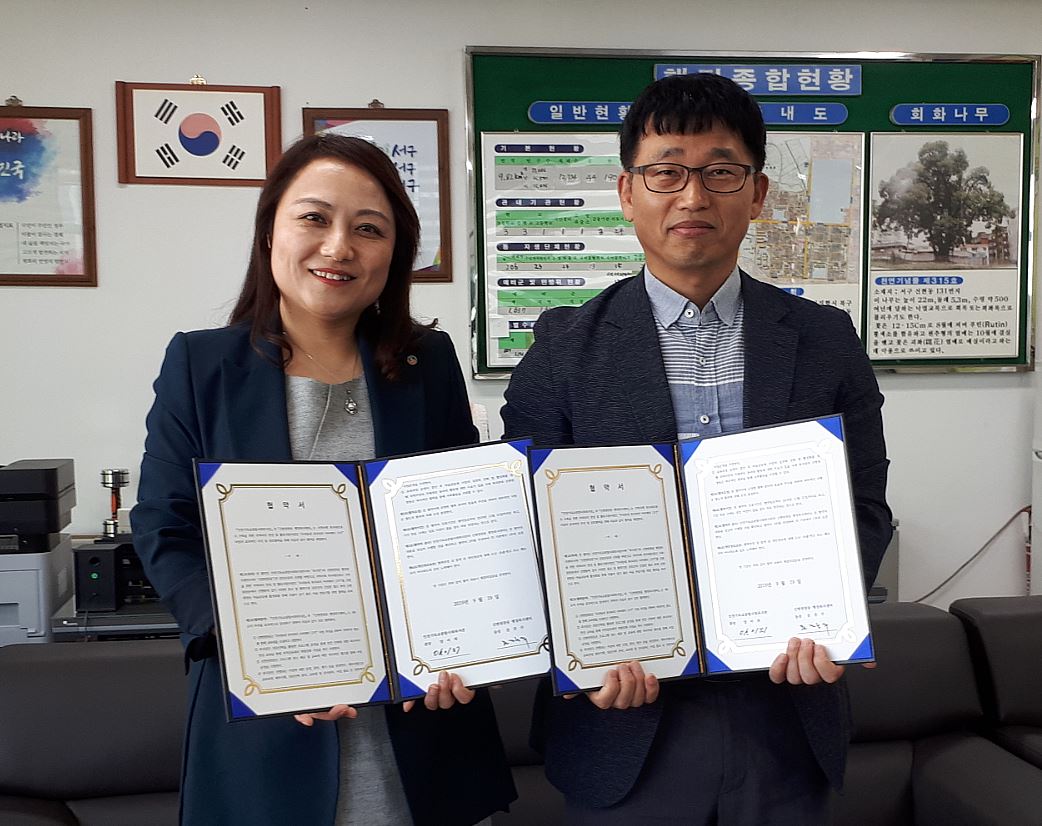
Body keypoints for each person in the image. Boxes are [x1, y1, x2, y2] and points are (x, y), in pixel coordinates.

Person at [502, 73, 892, 824]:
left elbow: (865, 506)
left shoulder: (824, 340)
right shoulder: (563, 349)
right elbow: (524, 527)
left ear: (758, 193)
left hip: (785, 708)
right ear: (627, 192)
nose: (692, 197)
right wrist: (584, 648)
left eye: (720, 172)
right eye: (666, 172)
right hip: (626, 721)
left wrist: (832, 615)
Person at [131, 133, 516, 826]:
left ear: (394, 252)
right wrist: (258, 657)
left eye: (368, 229)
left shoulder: (427, 362)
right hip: (268, 736)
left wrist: (470, 643)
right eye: (314, 218)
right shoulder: (201, 365)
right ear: (269, 231)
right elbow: (165, 528)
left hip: (424, 736)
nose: (339, 247)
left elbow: (464, 529)